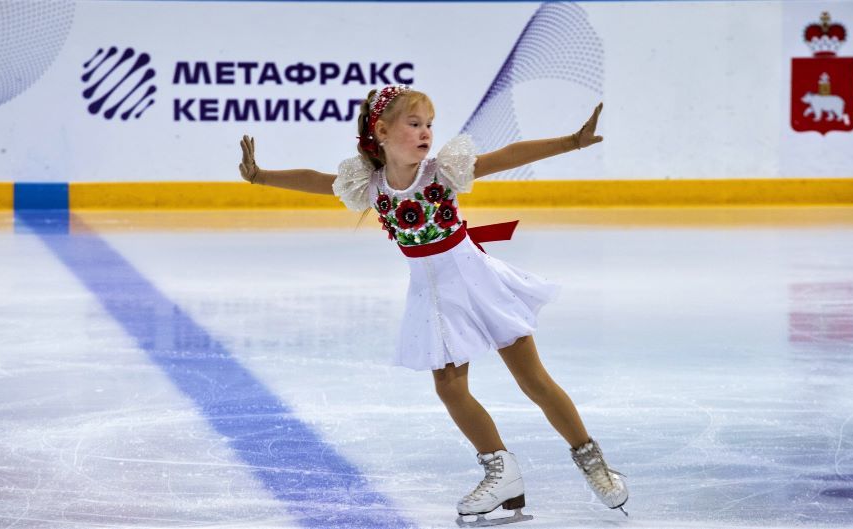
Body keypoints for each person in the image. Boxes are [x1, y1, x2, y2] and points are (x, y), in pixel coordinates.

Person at [238, 84, 627, 527]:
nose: (426, 133)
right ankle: (500, 470)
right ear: (381, 131)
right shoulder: (369, 185)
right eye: (414, 123)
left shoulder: (441, 172)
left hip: (476, 281)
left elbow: (507, 156)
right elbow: (316, 181)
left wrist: (570, 143)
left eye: (429, 125)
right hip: (430, 293)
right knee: (448, 386)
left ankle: (592, 460)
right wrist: (260, 176)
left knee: (532, 379)